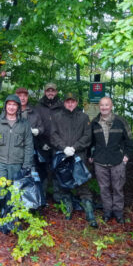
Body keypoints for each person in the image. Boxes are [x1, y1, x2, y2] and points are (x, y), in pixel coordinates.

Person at [0, 94, 34, 232]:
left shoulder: (24, 124)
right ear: (5, 106)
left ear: (18, 107)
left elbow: (29, 146)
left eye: (14, 105)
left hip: (17, 164)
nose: (11, 107)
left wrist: (27, 165)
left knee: (15, 194)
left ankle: (13, 221)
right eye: (9, 104)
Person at [50, 92, 97, 228]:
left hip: (79, 156)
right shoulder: (57, 117)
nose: (70, 104)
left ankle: (89, 213)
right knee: (64, 184)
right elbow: (53, 135)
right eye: (68, 101)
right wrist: (64, 148)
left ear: (76, 103)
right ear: (64, 103)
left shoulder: (83, 117)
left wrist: (75, 148)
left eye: (73, 101)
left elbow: (88, 137)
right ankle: (67, 210)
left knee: (83, 183)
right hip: (62, 156)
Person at [89, 97, 133, 224]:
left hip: (117, 161)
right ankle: (107, 212)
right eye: (102, 105)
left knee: (118, 188)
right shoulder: (94, 122)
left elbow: (129, 141)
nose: (104, 107)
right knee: (104, 188)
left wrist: (126, 156)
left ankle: (118, 213)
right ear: (99, 107)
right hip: (100, 161)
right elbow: (90, 142)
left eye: (106, 105)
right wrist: (90, 154)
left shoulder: (120, 121)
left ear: (111, 106)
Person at [34, 83, 63, 195]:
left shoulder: (62, 106)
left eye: (53, 91)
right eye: (48, 91)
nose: (50, 93)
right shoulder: (38, 106)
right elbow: (36, 126)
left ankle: (58, 195)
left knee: (58, 169)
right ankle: (42, 195)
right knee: (43, 171)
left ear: (56, 92)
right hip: (43, 144)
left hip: (58, 144)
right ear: (45, 92)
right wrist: (41, 143)